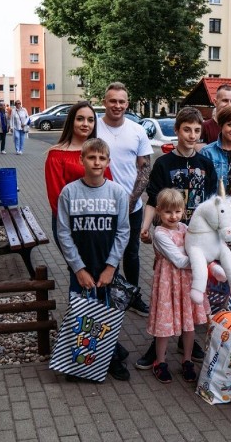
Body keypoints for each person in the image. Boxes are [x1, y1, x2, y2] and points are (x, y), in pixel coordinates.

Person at [135, 107, 217, 370]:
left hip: (197, 237)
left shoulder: (206, 164)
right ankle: (157, 346)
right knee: (167, 292)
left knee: (191, 292)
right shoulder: (164, 163)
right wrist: (145, 228)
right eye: (186, 129)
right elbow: (151, 198)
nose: (192, 135)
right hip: (169, 236)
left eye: (196, 130)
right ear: (177, 130)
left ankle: (187, 342)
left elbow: (213, 203)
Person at [57, 138, 132, 381]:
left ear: (108, 162)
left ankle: (109, 357)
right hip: (81, 267)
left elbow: (123, 231)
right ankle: (80, 363)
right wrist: (78, 268)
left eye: (102, 158)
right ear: (82, 160)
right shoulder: (69, 192)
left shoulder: (117, 192)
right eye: (91, 157)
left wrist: (111, 266)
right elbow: (63, 233)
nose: (96, 162)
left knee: (107, 313)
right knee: (81, 314)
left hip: (106, 266)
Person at [95, 82, 152, 317]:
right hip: (101, 205)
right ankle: (109, 295)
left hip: (132, 205)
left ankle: (133, 295)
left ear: (127, 104)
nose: (117, 105)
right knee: (107, 253)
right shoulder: (94, 128)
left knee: (131, 252)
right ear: (104, 102)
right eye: (112, 101)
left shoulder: (137, 130)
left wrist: (130, 201)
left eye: (121, 101)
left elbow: (145, 168)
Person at [147, 189, 211, 384]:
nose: (173, 216)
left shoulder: (185, 228)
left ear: (183, 211)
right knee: (164, 324)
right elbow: (179, 261)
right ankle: (160, 361)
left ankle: (187, 360)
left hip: (187, 283)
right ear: (159, 211)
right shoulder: (160, 233)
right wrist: (202, 258)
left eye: (177, 211)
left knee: (188, 322)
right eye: (167, 212)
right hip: (168, 283)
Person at [44, 101, 111, 247]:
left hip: (100, 221)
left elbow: (109, 186)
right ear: (71, 121)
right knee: (77, 268)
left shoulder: (98, 151)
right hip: (69, 223)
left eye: (90, 119)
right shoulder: (57, 154)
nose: (85, 124)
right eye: (80, 119)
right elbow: (56, 197)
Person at [197, 84, 231, 149]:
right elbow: (201, 153)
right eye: (225, 100)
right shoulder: (204, 127)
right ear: (215, 102)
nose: (229, 105)